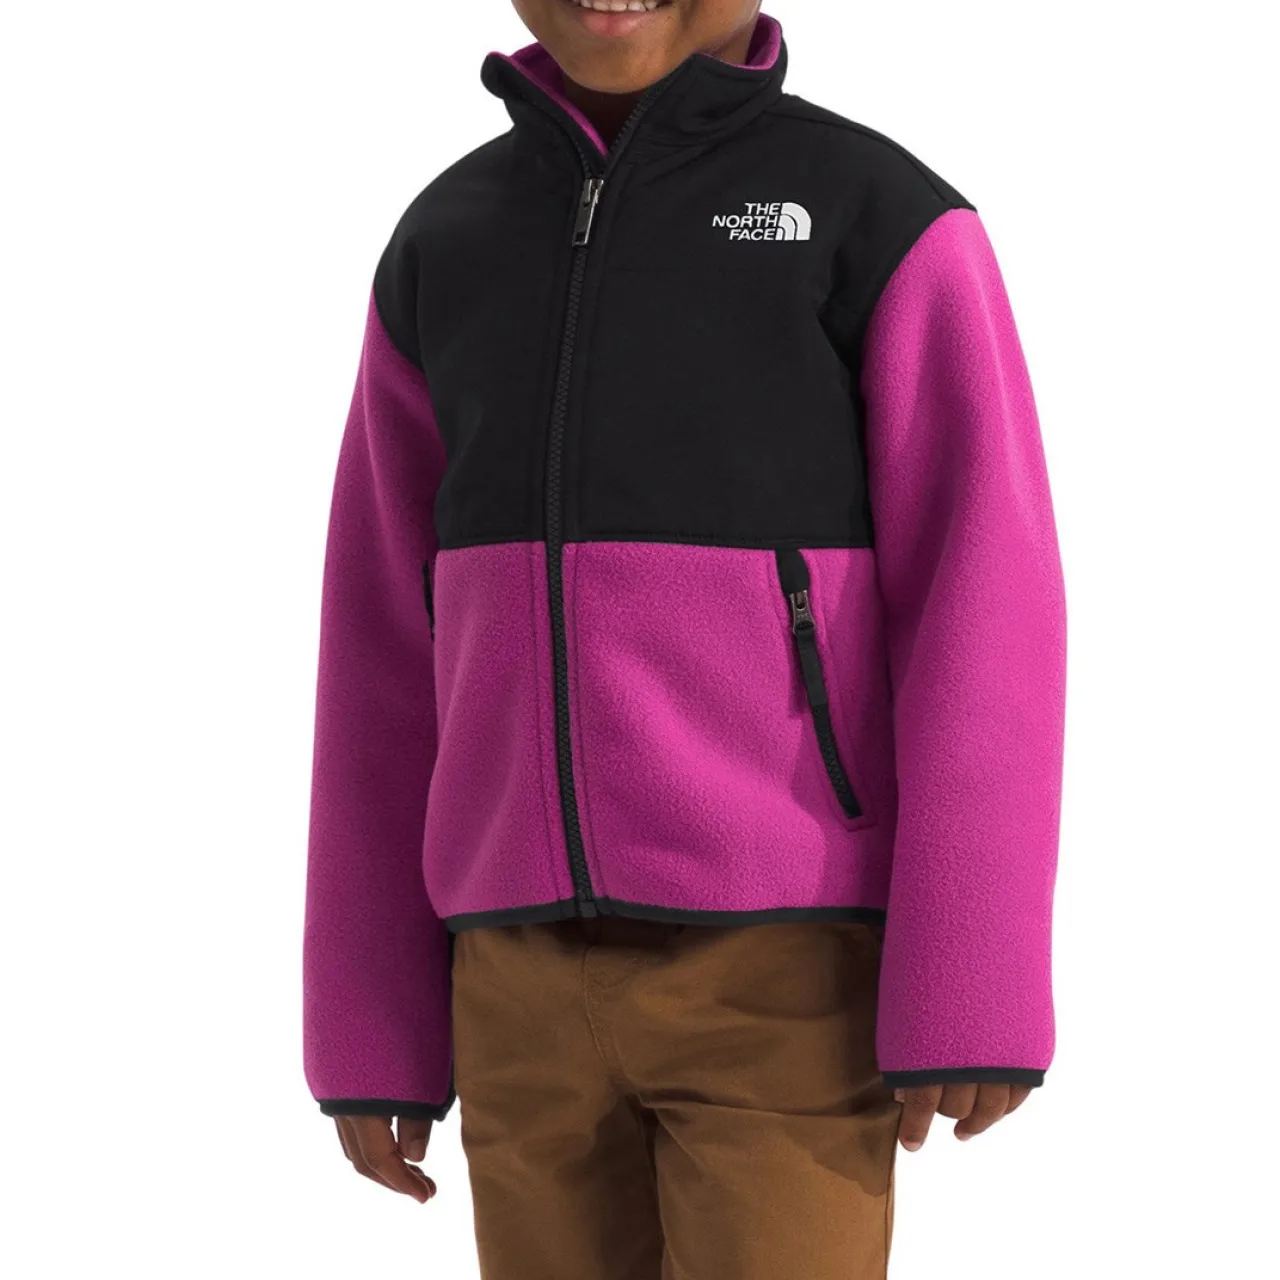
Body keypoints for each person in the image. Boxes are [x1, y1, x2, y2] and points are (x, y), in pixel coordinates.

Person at [301, 2, 1067, 1275]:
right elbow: (380, 638)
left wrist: (972, 977)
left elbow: (983, 603)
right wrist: (369, 1018)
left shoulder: (875, 219)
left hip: (783, 968)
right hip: (511, 976)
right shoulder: (446, 242)